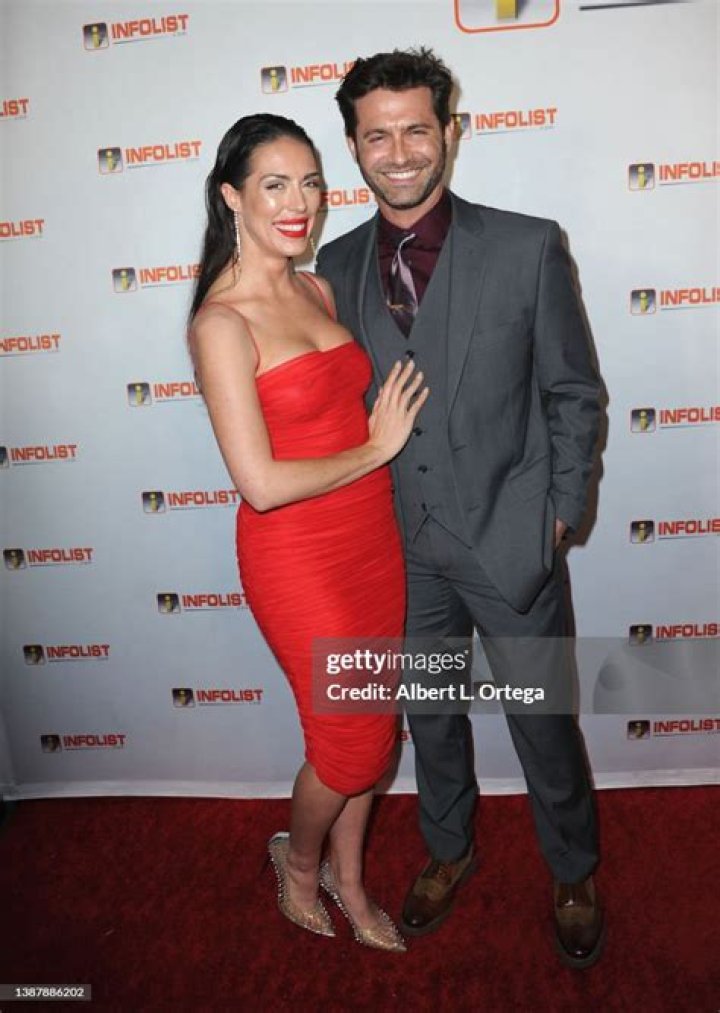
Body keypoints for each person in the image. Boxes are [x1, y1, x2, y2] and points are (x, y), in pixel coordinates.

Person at [317, 49, 605, 967]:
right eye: (377, 135)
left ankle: (573, 867)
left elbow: (573, 391)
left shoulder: (526, 246)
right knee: (432, 714)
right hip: (398, 546)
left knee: (541, 719)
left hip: (511, 538)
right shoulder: (333, 264)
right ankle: (448, 847)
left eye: (416, 129)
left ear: (450, 131)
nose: (398, 152)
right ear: (353, 146)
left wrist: (559, 511)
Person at [188, 113, 428, 952]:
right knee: (349, 747)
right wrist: (375, 448)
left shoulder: (318, 289)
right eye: (275, 185)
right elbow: (259, 483)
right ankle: (298, 863)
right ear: (232, 197)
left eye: (312, 183)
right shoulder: (221, 324)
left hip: (371, 541)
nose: (300, 203)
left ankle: (349, 879)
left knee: (375, 731)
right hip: (298, 556)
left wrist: (375, 457)